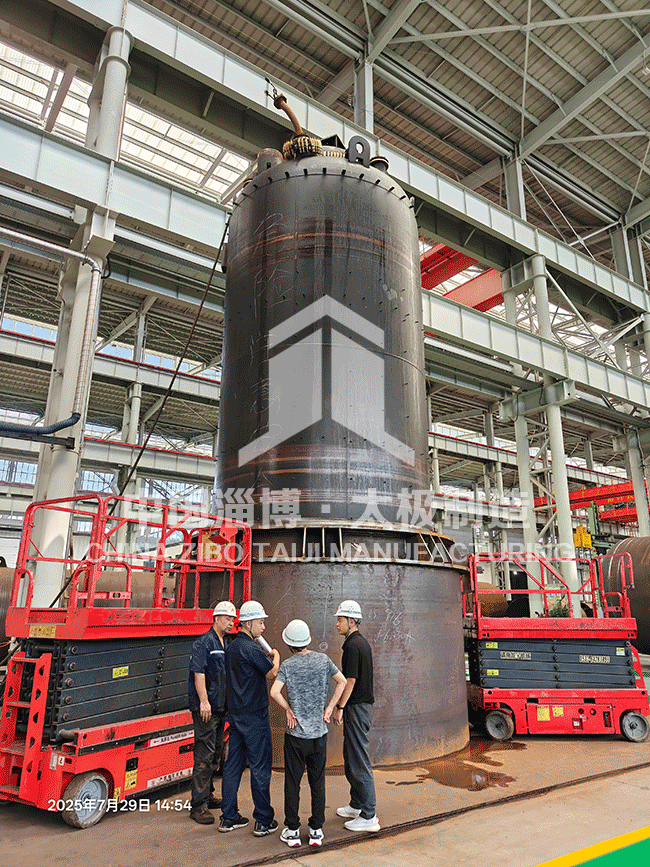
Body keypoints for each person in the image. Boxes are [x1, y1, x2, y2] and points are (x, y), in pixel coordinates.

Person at [270, 619, 346, 848]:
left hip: (295, 736)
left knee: (292, 782)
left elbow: (274, 692)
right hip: (319, 735)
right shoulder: (323, 660)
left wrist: (288, 708)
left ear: (288, 643)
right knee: (317, 782)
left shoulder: (287, 665)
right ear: (308, 640)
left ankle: (293, 831)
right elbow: (342, 681)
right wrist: (330, 707)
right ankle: (316, 831)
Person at [219, 600, 280, 836]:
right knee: (260, 767)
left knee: (233, 766)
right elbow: (272, 673)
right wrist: (275, 656)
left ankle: (228, 817)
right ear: (248, 623)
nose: (263, 627)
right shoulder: (252, 649)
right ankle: (263, 820)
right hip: (255, 716)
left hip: (236, 715)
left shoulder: (232, 647)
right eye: (261, 623)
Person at [332, 599, 380, 832]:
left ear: (352, 621)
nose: (337, 624)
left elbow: (350, 681)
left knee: (358, 759)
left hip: (357, 708)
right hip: (361, 707)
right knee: (351, 756)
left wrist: (340, 707)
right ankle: (357, 804)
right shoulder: (360, 643)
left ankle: (369, 815)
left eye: (340, 619)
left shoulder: (352, 646)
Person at [188, 599, 236, 825]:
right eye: (227, 618)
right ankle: (198, 806)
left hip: (220, 707)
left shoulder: (224, 642)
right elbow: (198, 673)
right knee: (204, 756)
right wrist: (204, 702)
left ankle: (207, 795)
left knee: (215, 752)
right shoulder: (204, 643)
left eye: (233, 619)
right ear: (216, 619)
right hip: (207, 709)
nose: (231, 623)